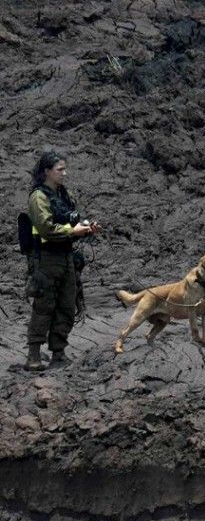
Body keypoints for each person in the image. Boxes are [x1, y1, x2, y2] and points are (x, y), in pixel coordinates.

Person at [25, 151, 102, 371]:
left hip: (65, 257)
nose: (64, 173)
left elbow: (70, 219)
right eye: (60, 169)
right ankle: (33, 355)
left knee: (67, 305)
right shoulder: (38, 197)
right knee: (44, 307)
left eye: (64, 169)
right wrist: (73, 231)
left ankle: (58, 352)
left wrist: (86, 229)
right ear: (47, 171)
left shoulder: (61, 195)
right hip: (47, 259)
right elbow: (46, 229)